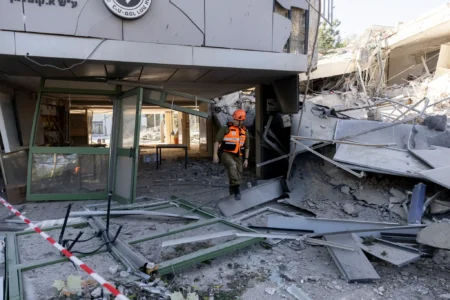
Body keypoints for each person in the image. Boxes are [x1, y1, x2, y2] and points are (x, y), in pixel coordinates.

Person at [213, 109, 250, 200]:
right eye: (234, 119)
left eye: (236, 120)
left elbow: (247, 147)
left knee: (236, 175)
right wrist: (215, 155)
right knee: (232, 166)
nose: (233, 121)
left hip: (239, 156)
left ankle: (232, 196)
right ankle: (237, 191)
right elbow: (217, 142)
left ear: (241, 121)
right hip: (226, 154)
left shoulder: (245, 132)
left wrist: (246, 159)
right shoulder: (225, 128)